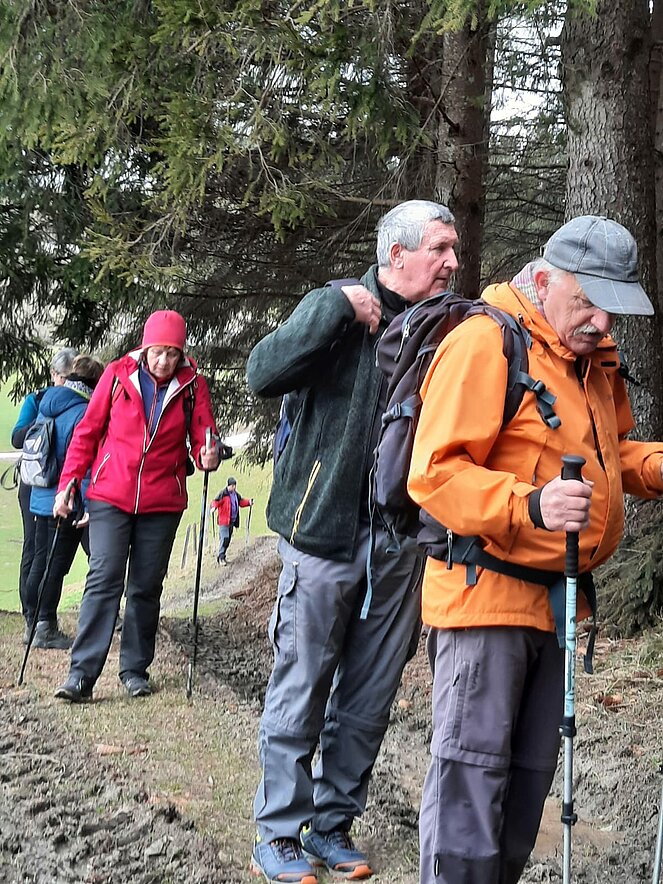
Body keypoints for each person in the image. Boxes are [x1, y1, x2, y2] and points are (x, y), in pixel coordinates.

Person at [407, 215, 663, 884]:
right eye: (589, 302)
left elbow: (610, 455)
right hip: (484, 603)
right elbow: (433, 473)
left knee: (524, 794)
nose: (602, 322)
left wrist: (656, 465)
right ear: (544, 280)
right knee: (471, 791)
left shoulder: (590, 359)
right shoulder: (484, 343)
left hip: (556, 609)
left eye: (612, 307)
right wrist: (529, 504)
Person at [246, 200, 459, 883]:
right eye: (439, 249)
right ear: (397, 254)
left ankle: (332, 826)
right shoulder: (337, 309)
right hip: (323, 536)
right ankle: (279, 834)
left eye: (453, 249)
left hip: (399, 542)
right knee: (301, 687)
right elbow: (262, 373)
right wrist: (335, 309)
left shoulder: (447, 329)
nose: (452, 262)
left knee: (368, 697)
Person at [52, 310, 221, 702]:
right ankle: (81, 676)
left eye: (172, 353)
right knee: (104, 578)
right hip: (111, 494)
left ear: (181, 353)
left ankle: (134, 670)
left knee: (145, 586)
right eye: (158, 352)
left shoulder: (193, 385)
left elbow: (204, 437)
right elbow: (87, 433)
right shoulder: (116, 375)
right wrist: (68, 484)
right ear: (145, 348)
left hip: (162, 501)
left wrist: (208, 454)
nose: (164, 361)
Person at [22, 355, 105, 649]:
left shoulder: (48, 403)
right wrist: (87, 503)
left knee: (40, 561)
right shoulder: (83, 411)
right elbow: (84, 460)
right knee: (56, 566)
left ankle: (32, 623)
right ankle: (45, 627)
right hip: (66, 497)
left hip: (40, 492)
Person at [11, 347, 79, 626]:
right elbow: (17, 438)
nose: (65, 383)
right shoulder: (36, 400)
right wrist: (45, 421)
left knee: (54, 553)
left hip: (59, 485)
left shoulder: (77, 403)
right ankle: (30, 615)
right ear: (53, 374)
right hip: (33, 482)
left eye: (71, 377)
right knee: (34, 547)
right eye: (62, 376)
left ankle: (40, 615)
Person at [211, 477, 252, 564]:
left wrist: (248, 502)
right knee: (225, 538)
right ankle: (221, 558)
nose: (234, 487)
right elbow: (215, 501)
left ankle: (223, 556)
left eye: (235, 486)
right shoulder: (223, 494)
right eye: (232, 486)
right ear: (229, 485)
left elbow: (241, 502)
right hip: (224, 522)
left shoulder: (235, 494)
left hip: (231, 521)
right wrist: (214, 507)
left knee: (228, 539)